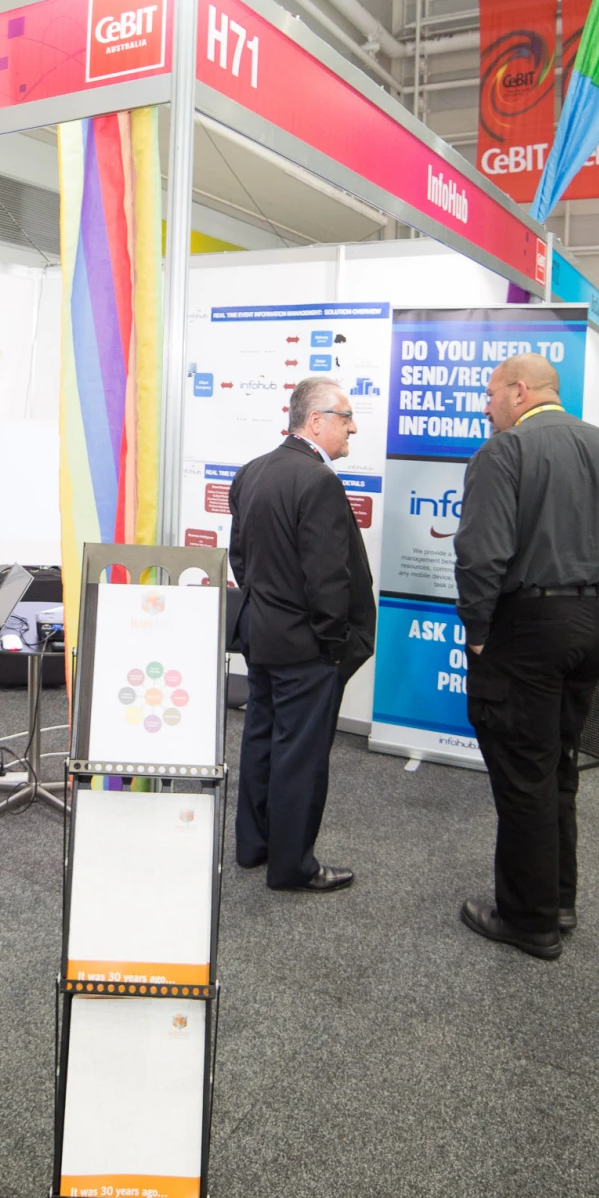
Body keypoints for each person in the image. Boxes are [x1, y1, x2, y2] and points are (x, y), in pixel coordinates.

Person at [451, 353, 599, 959]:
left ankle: (528, 920)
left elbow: (480, 556)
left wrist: (479, 629)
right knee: (558, 764)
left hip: (525, 629)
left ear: (519, 392)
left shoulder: (506, 452)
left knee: (523, 772)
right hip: (594, 627)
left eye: (491, 395)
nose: (485, 406)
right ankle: (558, 899)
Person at [227, 376, 376, 892]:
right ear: (316, 421)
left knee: (262, 739)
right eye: (346, 416)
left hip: (262, 636)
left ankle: (253, 846)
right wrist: (334, 645)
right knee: (301, 757)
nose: (353, 426)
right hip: (307, 647)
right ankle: (292, 868)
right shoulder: (318, 481)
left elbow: (241, 560)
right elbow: (328, 579)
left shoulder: (251, 472)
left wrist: (267, 611)